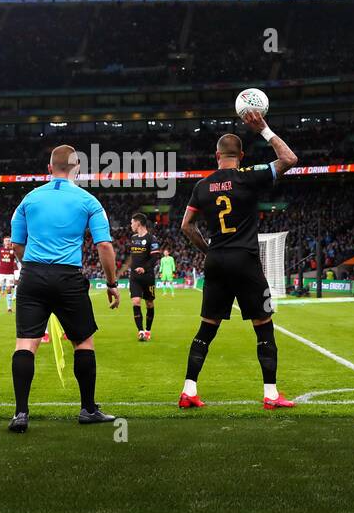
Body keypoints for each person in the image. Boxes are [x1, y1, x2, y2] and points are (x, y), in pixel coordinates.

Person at [179, 110, 298, 410]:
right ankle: (271, 395)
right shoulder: (249, 176)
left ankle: (188, 390)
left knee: (207, 327)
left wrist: (209, 252)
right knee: (264, 325)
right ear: (241, 155)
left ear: (216, 155)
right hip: (246, 261)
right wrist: (265, 130)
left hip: (216, 260)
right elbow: (289, 159)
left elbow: (186, 226)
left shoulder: (201, 186)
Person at [6, 144, 121, 433]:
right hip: (68, 277)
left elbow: (17, 244)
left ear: (49, 169)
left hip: (32, 275)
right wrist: (111, 283)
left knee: (26, 343)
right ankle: (88, 409)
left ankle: (20, 414)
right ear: (77, 169)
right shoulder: (88, 201)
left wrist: (33, 268)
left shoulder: (28, 200)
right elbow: (104, 246)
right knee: (82, 342)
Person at [122, 213, 160, 340]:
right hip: (134, 277)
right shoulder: (133, 238)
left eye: (132, 222)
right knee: (136, 301)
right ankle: (140, 331)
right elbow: (133, 257)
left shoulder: (152, 239)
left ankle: (148, 330)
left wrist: (144, 268)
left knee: (149, 303)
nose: (131, 225)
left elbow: (155, 257)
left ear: (138, 223)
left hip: (148, 277)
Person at [0, 236, 20, 313]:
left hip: (10, 273)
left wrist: (20, 270)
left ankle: (9, 308)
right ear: (3, 242)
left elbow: (18, 261)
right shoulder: (0, 250)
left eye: (9, 240)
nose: (7, 242)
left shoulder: (13, 250)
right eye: (6, 240)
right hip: (0, 273)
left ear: (11, 242)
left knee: (9, 289)